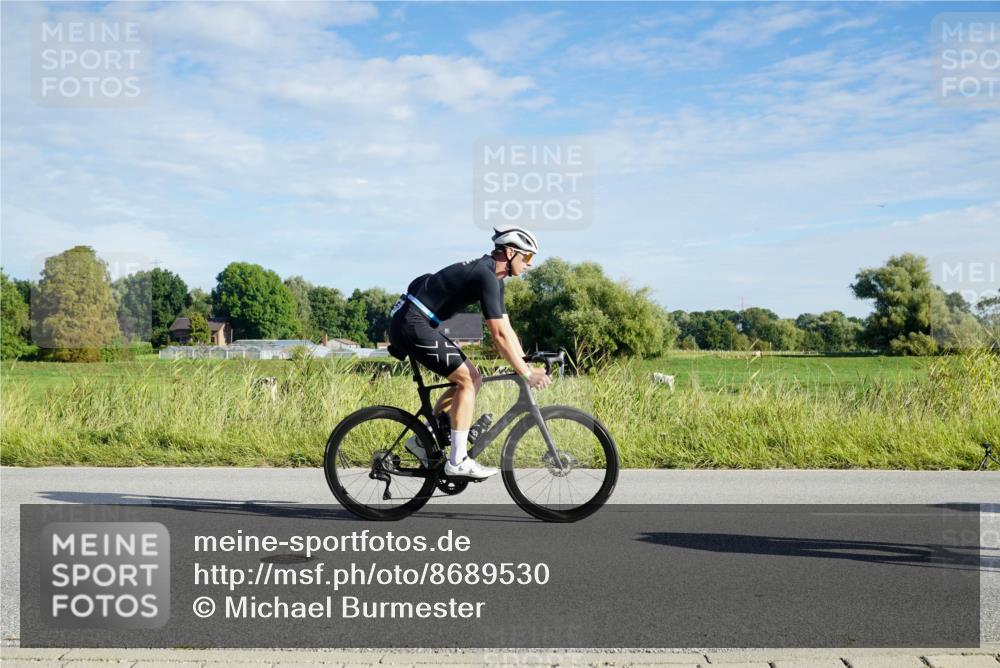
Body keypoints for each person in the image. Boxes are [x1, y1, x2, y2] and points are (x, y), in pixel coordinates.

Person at [388, 224, 551, 480]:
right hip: (412, 324)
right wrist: (526, 374)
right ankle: (458, 461)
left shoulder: (494, 279)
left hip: (416, 322)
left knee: (472, 379)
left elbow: (506, 329)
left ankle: (423, 439)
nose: (530, 263)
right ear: (510, 253)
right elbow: (498, 336)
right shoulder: (485, 275)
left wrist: (526, 363)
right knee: (469, 379)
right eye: (527, 256)